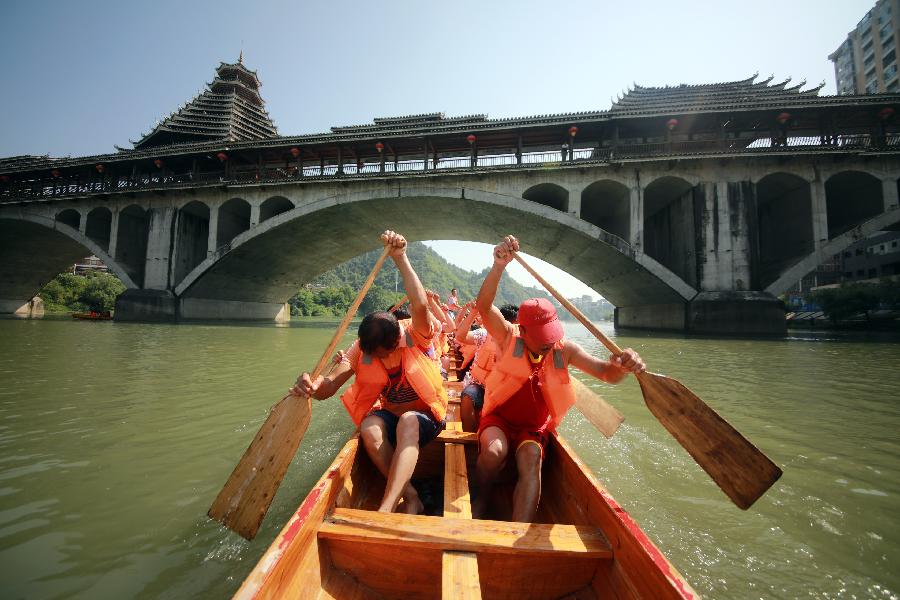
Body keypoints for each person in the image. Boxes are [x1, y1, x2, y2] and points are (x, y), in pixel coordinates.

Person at [472, 235, 646, 522]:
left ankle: (519, 533)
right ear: (522, 330)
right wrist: (498, 266)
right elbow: (484, 306)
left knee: (531, 460)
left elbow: (606, 374)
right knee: (493, 452)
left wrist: (623, 366)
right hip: (500, 420)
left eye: (550, 337)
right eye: (540, 339)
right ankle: (481, 496)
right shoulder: (507, 337)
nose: (547, 344)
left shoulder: (564, 350)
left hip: (533, 428)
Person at [291, 231, 448, 515]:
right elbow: (329, 386)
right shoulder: (360, 349)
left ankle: (386, 506)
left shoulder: (416, 334)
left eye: (382, 353)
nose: (376, 358)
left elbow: (420, 305)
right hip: (392, 416)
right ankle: (411, 496)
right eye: (371, 353)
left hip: (426, 417)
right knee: (369, 428)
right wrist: (310, 385)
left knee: (408, 422)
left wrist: (400, 257)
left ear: (395, 342)